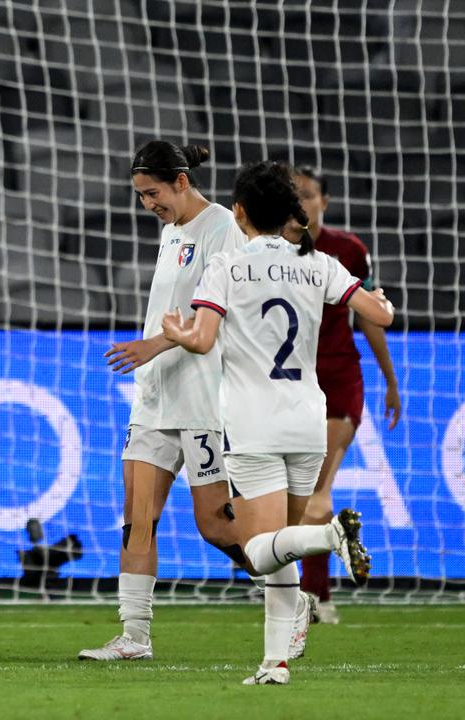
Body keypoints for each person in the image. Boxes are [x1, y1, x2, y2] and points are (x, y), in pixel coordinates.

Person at [161, 159, 390, 685]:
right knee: (283, 543)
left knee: (259, 552)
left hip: (253, 425)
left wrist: (177, 333)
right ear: (289, 210)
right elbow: (380, 315)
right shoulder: (321, 262)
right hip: (308, 422)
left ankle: (329, 534)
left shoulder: (227, 265)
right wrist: (383, 301)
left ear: (238, 212)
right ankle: (274, 663)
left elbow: (202, 340)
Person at [80, 141, 256, 662]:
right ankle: (135, 637)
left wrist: (151, 345)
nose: (147, 204)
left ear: (181, 181)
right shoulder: (172, 230)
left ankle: (288, 587)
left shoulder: (222, 227)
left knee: (215, 524)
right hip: (155, 396)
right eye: (140, 195)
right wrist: (151, 359)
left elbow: (213, 315)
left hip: (204, 395)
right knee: (138, 516)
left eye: (153, 193)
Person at [288, 166, 402, 625]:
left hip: (338, 379)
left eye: (309, 194)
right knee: (296, 497)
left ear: (325, 202)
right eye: (294, 194)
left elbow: (370, 316)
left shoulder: (348, 250)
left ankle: (314, 596)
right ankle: (308, 589)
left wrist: (390, 379)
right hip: (289, 384)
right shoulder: (271, 253)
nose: (302, 201)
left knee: (318, 487)